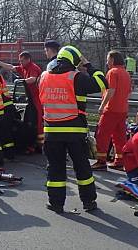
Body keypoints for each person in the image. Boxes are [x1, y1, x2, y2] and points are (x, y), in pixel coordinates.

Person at [39, 45, 107, 213]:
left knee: (55, 169)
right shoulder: (77, 77)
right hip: (74, 131)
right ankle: (89, 202)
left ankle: (56, 204)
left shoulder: (44, 76)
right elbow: (102, 83)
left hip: (51, 132)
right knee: (82, 167)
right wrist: (89, 66)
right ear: (75, 61)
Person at [0, 51, 44, 151]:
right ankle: (34, 143)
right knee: (32, 120)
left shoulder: (33, 67)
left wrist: (22, 81)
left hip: (37, 97)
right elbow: (11, 67)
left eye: (22, 61)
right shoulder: (23, 67)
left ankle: (40, 145)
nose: (20, 63)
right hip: (30, 97)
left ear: (28, 59)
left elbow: (33, 79)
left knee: (38, 121)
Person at [91, 50, 132, 171]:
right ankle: (120, 161)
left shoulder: (112, 72)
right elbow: (128, 92)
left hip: (111, 109)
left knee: (102, 135)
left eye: (108, 59)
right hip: (122, 110)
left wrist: (102, 105)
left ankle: (101, 161)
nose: (107, 62)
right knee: (119, 137)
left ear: (113, 60)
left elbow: (111, 91)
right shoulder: (126, 73)